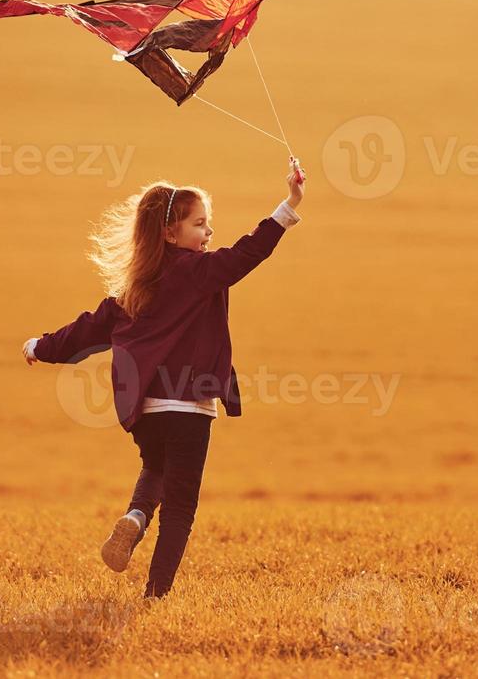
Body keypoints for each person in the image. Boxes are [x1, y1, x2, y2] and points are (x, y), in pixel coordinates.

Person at [21, 156, 306, 599]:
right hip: (190, 408)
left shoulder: (135, 287)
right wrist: (288, 206)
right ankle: (155, 595)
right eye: (200, 224)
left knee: (155, 467)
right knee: (180, 507)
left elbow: (88, 330)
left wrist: (40, 345)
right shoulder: (196, 272)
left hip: (148, 411)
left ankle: (135, 518)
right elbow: (247, 253)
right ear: (171, 233)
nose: (209, 233)